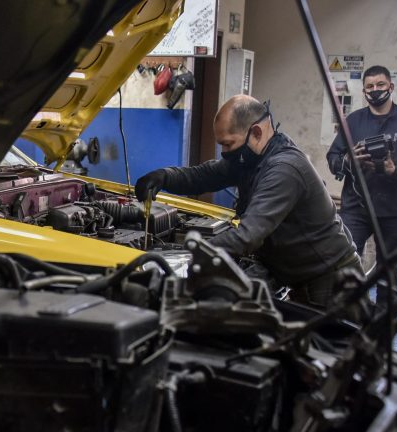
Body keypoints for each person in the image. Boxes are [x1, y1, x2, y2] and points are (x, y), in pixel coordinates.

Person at [135, 94, 361, 309]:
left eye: (228, 144)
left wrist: (188, 253)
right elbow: (202, 176)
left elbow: (247, 236)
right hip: (299, 275)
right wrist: (164, 176)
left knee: (327, 347)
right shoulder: (252, 158)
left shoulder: (284, 169)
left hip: (332, 281)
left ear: (256, 132)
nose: (224, 153)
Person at [326, 65, 397, 298]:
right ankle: (341, 321)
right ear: (364, 91)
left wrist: (395, 169)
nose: (375, 90)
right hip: (356, 208)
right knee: (343, 266)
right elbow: (333, 157)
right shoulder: (353, 121)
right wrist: (349, 161)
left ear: (390, 87)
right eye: (370, 86)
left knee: (389, 275)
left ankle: (382, 328)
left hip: (394, 210)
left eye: (380, 85)